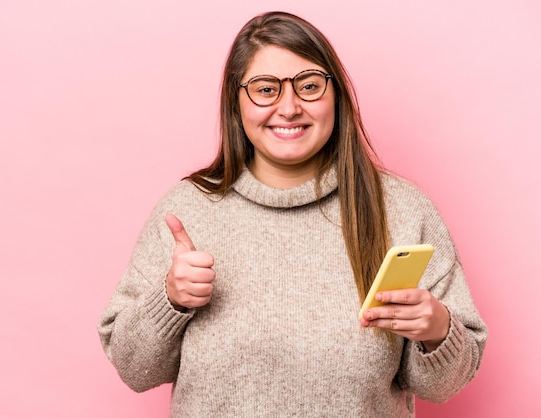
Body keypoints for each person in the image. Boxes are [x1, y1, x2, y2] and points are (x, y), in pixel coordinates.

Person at [98, 11, 487, 417]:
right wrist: (171, 301)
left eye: (309, 86)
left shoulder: (403, 211)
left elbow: (444, 386)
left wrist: (437, 331)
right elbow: (133, 369)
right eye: (266, 89)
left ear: (335, 94)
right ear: (237, 100)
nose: (289, 107)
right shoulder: (188, 209)